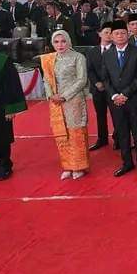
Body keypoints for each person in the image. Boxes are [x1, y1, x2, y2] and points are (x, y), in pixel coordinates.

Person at [102, 19, 137, 177]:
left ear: (128, 34)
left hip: (134, 100)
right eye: (116, 33)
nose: (120, 36)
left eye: (123, 33)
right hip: (116, 102)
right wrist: (115, 95)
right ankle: (127, 163)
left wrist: (126, 94)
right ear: (111, 36)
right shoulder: (107, 54)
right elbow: (105, 78)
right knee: (122, 133)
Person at [41, 30, 90, 180]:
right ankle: (67, 166)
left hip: (74, 100)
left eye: (63, 41)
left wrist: (64, 96)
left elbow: (82, 80)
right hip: (56, 102)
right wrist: (51, 95)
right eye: (56, 42)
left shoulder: (78, 57)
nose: (60, 45)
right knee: (62, 134)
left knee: (76, 133)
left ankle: (79, 166)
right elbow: (46, 79)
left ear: (69, 41)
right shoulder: (49, 59)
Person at [0, 29, 27, 181]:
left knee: (0, 137)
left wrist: (11, 108)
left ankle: (5, 165)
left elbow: (12, 85)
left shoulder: (2, 60)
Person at [87, 22, 115, 150]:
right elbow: (90, 70)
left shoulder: (117, 50)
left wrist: (108, 84)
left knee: (116, 115)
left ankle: (118, 139)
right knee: (100, 115)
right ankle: (102, 139)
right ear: (99, 34)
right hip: (97, 89)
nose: (108, 35)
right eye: (106, 32)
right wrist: (96, 83)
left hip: (113, 89)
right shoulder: (92, 51)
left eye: (111, 33)